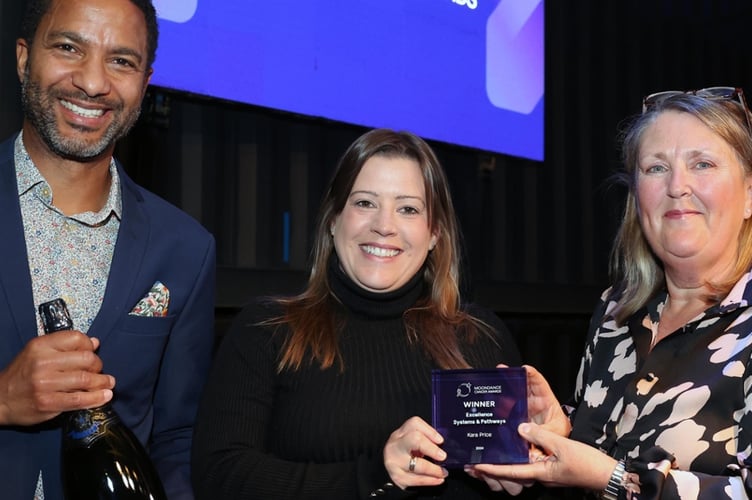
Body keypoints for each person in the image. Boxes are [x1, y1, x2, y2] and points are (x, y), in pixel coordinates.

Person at [191, 128, 523, 499]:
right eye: (365, 203)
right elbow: (220, 476)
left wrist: (533, 476)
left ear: (435, 234)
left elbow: (521, 483)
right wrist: (374, 476)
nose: (384, 225)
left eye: (408, 209)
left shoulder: (481, 337)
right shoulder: (266, 331)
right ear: (334, 219)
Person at [466, 87, 752, 499]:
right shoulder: (616, 310)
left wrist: (616, 480)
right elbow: (600, 447)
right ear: (637, 197)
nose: (677, 186)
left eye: (702, 163)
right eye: (655, 168)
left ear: (748, 196)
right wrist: (559, 427)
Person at [0, 0, 216, 498]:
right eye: (69, 47)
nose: (94, 83)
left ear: (145, 81)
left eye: (122, 61)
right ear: (23, 57)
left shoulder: (185, 249)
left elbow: (177, 438)